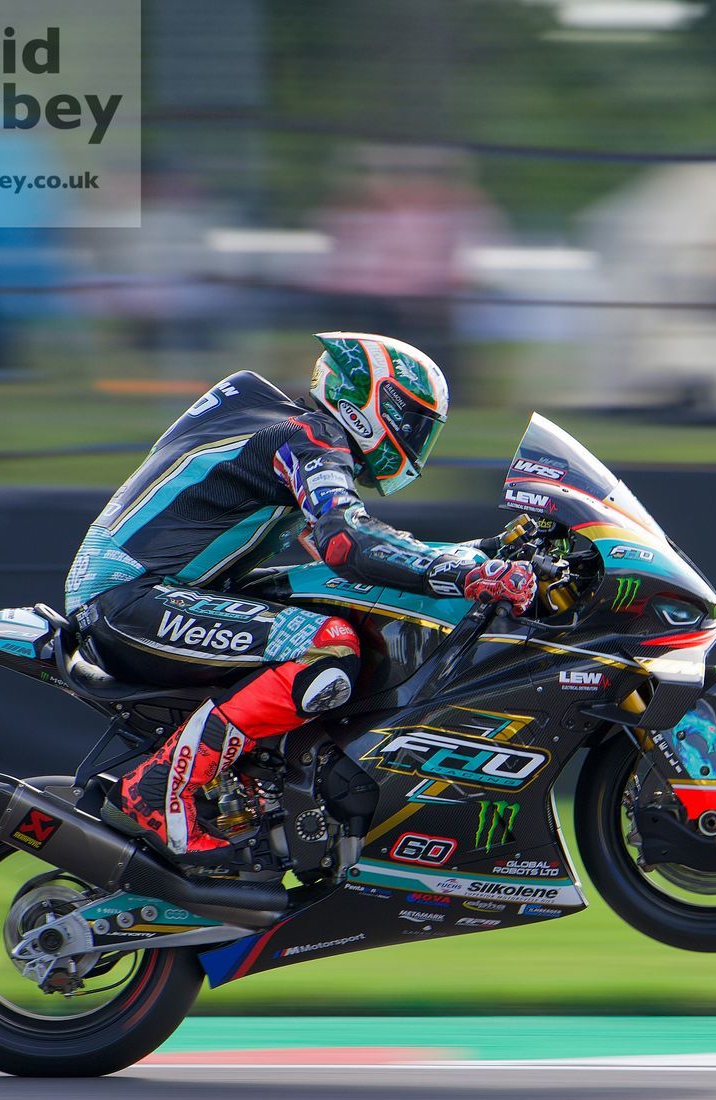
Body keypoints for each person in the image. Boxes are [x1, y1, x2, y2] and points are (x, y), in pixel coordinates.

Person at [63, 332, 537, 861]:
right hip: (130, 600)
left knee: (331, 610)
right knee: (327, 648)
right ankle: (157, 789)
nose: (413, 436)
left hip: (156, 594)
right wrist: (461, 573)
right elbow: (345, 541)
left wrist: (481, 554)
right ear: (366, 399)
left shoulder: (292, 435)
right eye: (408, 417)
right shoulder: (308, 437)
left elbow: (366, 550)